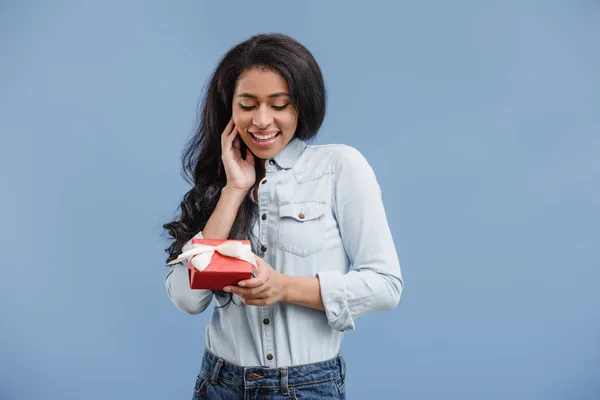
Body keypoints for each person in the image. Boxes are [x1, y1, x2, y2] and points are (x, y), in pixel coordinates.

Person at [163, 33, 403, 400]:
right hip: (219, 384)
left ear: (301, 106)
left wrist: (284, 287)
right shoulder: (221, 181)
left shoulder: (339, 168)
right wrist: (234, 190)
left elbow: (386, 285)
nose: (261, 120)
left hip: (307, 386)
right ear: (230, 108)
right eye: (247, 104)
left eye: (279, 105)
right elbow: (186, 299)